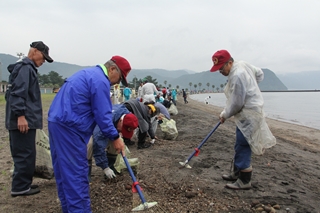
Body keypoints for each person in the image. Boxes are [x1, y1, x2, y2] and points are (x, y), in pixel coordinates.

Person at [48, 55, 131, 212]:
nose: (116, 83)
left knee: (64, 173)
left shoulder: (88, 74)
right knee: (76, 176)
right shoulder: (100, 81)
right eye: (119, 78)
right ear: (112, 69)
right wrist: (115, 138)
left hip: (57, 123)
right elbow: (103, 115)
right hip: (70, 128)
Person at [210, 49, 276, 190]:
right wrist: (252, 87)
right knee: (239, 142)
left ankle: (244, 180)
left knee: (243, 144)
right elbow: (259, 73)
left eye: (222, 68)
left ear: (230, 62)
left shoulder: (238, 75)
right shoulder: (243, 65)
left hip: (249, 113)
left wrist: (224, 115)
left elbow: (236, 103)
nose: (220, 72)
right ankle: (236, 172)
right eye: (218, 69)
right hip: (248, 111)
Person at [5, 41, 53, 197]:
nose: (44, 61)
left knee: (27, 152)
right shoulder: (25, 68)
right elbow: (18, 93)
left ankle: (23, 184)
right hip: (22, 120)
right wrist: (20, 116)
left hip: (24, 119)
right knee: (24, 153)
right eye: (43, 56)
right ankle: (19, 187)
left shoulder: (26, 68)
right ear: (34, 51)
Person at [88, 105, 139, 181]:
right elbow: (98, 144)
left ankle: (111, 168)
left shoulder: (127, 115)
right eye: (122, 129)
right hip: (89, 130)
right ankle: (85, 174)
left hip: (107, 129)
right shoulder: (107, 121)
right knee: (89, 145)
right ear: (121, 121)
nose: (122, 132)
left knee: (117, 142)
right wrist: (105, 167)